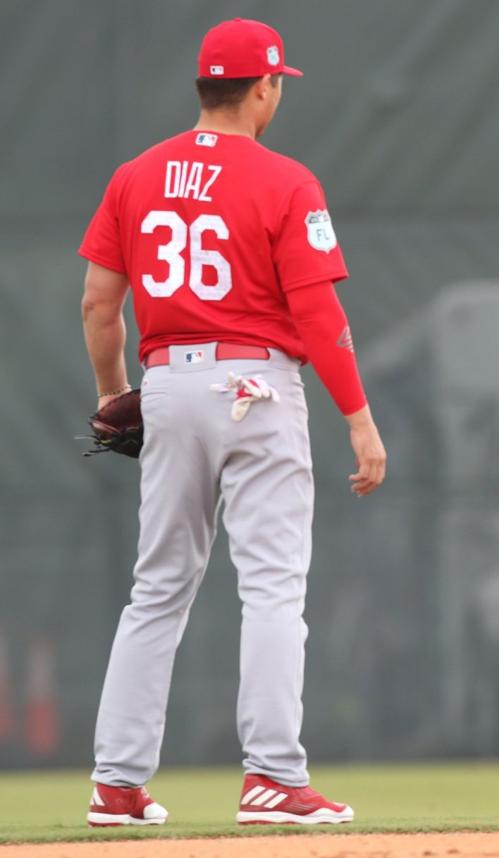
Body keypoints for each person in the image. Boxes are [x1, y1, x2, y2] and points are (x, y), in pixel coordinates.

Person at [79, 18, 386, 826]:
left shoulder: (135, 176)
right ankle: (273, 777)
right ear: (264, 88)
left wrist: (117, 395)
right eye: (277, 83)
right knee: (274, 587)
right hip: (256, 382)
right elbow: (319, 313)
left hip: (169, 378)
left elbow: (98, 305)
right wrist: (359, 418)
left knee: (157, 588)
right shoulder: (286, 181)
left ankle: (116, 784)